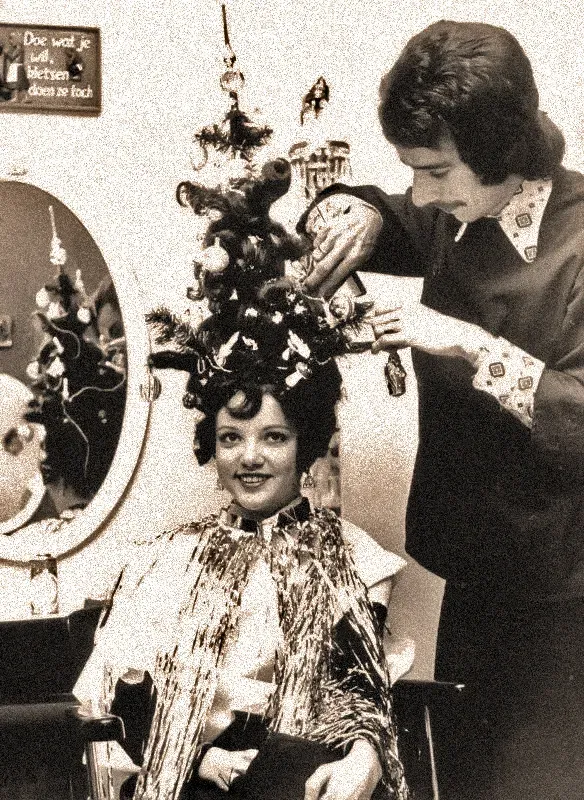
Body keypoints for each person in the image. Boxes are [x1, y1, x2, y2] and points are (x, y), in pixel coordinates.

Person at [300, 19, 584, 800]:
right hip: (478, 581)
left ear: (501, 152)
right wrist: (357, 209)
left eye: (434, 171)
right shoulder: (457, 207)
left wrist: (464, 342)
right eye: (412, 171)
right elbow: (392, 214)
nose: (422, 193)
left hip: (566, 603)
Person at [74, 159, 409, 800]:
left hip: (299, 778)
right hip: (192, 781)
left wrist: (361, 757)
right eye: (231, 438)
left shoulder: (354, 560)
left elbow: (357, 687)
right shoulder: (167, 560)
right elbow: (119, 698)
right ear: (213, 445)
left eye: (273, 438)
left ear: (305, 445)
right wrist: (201, 761)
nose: (249, 458)